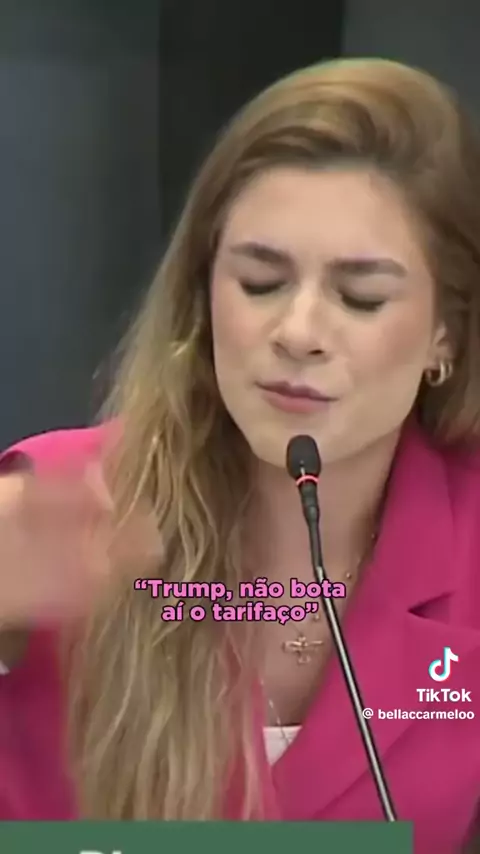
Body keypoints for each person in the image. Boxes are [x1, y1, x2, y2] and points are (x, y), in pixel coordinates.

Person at [0, 57, 479, 853]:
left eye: (361, 297)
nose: (297, 332)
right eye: (259, 282)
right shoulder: (48, 504)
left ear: (445, 334)